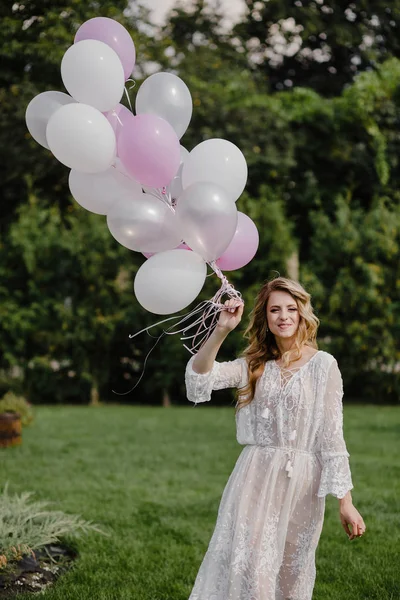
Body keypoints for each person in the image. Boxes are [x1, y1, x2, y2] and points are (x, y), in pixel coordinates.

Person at [185, 276, 366, 600]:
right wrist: (222, 329)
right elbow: (199, 381)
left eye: (290, 309)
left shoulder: (324, 366)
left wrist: (346, 501)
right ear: (265, 318)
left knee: (289, 574)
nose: (283, 316)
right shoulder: (254, 365)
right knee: (250, 565)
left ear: (301, 314)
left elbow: (332, 436)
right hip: (255, 475)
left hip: (302, 486)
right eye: (274, 310)